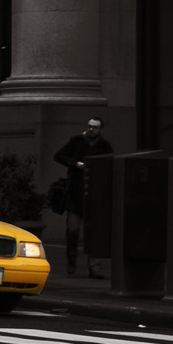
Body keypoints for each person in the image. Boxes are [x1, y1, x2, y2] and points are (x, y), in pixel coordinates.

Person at [54, 116, 113, 277]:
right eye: (89, 126)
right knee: (72, 231)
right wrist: (75, 163)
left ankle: (94, 268)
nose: (91, 129)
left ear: (100, 130)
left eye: (95, 127)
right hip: (75, 194)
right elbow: (58, 156)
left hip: (94, 195)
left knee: (94, 233)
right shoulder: (77, 142)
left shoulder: (105, 146)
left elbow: (110, 166)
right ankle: (71, 259)